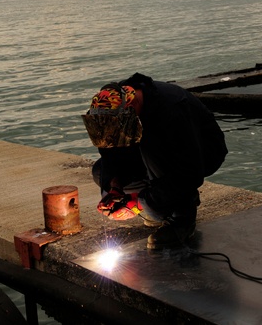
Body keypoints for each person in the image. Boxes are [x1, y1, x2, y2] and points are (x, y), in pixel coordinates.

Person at [83, 72, 228, 250]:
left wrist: (137, 204)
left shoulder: (171, 109)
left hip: (199, 156)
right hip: (155, 154)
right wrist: (114, 188)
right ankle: (157, 202)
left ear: (133, 106)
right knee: (101, 171)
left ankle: (182, 217)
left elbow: (190, 173)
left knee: (152, 152)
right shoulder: (115, 100)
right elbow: (109, 153)